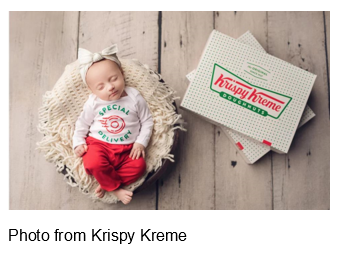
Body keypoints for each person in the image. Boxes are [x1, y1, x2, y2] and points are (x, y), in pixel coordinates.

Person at [72, 44, 153, 204]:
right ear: (92, 90)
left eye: (113, 79)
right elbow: (82, 124)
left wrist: (140, 143)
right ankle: (115, 188)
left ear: (122, 74)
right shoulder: (93, 103)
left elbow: (147, 121)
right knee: (93, 162)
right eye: (100, 86)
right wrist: (78, 143)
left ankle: (107, 183)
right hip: (99, 145)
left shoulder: (133, 96)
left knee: (139, 167)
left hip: (127, 149)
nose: (110, 87)